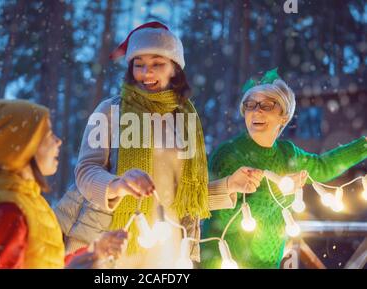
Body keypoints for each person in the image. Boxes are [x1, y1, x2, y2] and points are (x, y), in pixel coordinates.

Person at [55, 22, 234, 268]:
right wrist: (117, 185)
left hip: (168, 247)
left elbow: (188, 196)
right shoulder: (110, 110)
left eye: (157, 64)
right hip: (113, 239)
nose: (146, 73)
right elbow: (86, 171)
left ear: (175, 69)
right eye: (139, 65)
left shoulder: (187, 120)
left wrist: (229, 187)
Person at [200, 69, 367, 268]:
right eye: (250, 105)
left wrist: (363, 146)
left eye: (267, 105)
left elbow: (323, 167)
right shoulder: (228, 154)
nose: (256, 111)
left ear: (284, 116)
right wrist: (282, 191)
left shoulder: (288, 153)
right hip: (226, 261)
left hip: (269, 263)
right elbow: (226, 221)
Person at [0, 100, 127, 268]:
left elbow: (44, 262)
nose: (58, 141)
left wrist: (93, 252)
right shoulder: (8, 211)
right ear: (21, 147)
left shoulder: (27, 201)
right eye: (48, 134)